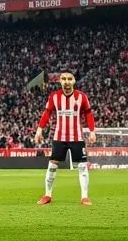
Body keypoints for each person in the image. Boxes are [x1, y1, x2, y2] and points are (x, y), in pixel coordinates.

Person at [34, 71, 96, 205]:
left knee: (82, 167)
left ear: (74, 81)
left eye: (69, 79)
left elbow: (89, 114)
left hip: (77, 138)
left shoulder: (82, 97)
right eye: (63, 79)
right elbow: (47, 114)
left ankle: (84, 197)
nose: (66, 81)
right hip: (59, 137)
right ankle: (47, 195)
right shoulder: (54, 96)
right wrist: (39, 131)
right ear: (60, 81)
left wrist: (92, 131)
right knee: (52, 165)